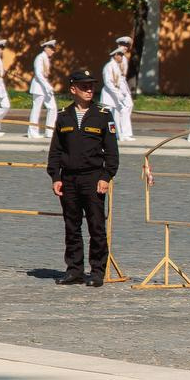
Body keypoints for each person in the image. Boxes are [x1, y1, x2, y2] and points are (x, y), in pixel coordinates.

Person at [47, 68, 119, 288]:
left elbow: (112, 152)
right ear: (73, 89)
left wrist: (106, 176)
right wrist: (55, 176)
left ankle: (97, 271)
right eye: (84, 86)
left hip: (93, 178)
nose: (89, 90)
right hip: (69, 179)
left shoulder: (103, 114)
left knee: (96, 226)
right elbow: (56, 150)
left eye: (91, 86)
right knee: (72, 226)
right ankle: (74, 270)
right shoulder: (64, 115)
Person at [101, 36, 137, 142]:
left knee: (126, 107)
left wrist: (123, 91)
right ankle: (119, 133)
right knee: (111, 114)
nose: (125, 48)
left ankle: (124, 133)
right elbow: (109, 81)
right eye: (123, 45)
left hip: (121, 87)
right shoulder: (110, 65)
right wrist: (118, 93)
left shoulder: (123, 60)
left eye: (126, 46)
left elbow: (122, 77)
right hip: (112, 92)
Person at [27, 39, 59, 139]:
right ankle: (32, 132)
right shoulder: (40, 58)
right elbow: (39, 74)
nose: (53, 52)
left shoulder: (46, 58)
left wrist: (47, 86)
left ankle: (49, 131)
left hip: (45, 87)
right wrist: (47, 86)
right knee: (36, 109)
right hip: (38, 87)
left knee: (53, 107)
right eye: (52, 49)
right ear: (46, 48)